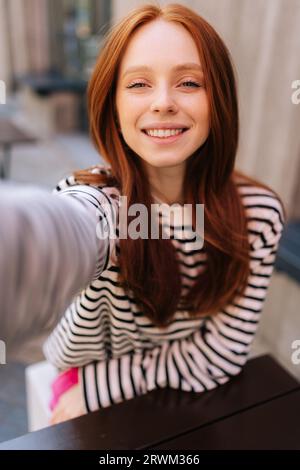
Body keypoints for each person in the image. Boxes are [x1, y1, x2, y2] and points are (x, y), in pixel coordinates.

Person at [0, 3, 285, 425]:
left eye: (188, 82)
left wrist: (100, 388)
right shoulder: (101, 202)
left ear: (218, 99)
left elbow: (222, 353)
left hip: (155, 399)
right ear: (112, 103)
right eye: (138, 84)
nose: (164, 102)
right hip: (77, 388)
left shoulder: (257, 216)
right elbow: (57, 233)